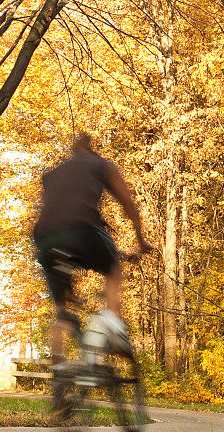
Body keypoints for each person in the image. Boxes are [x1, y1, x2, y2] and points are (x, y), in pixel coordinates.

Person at [33, 132, 152, 367]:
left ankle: (60, 378)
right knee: (113, 268)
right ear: (91, 149)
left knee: (62, 309)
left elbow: (53, 208)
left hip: (45, 238)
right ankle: (112, 325)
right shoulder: (101, 164)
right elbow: (129, 204)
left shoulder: (53, 174)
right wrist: (141, 241)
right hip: (81, 228)